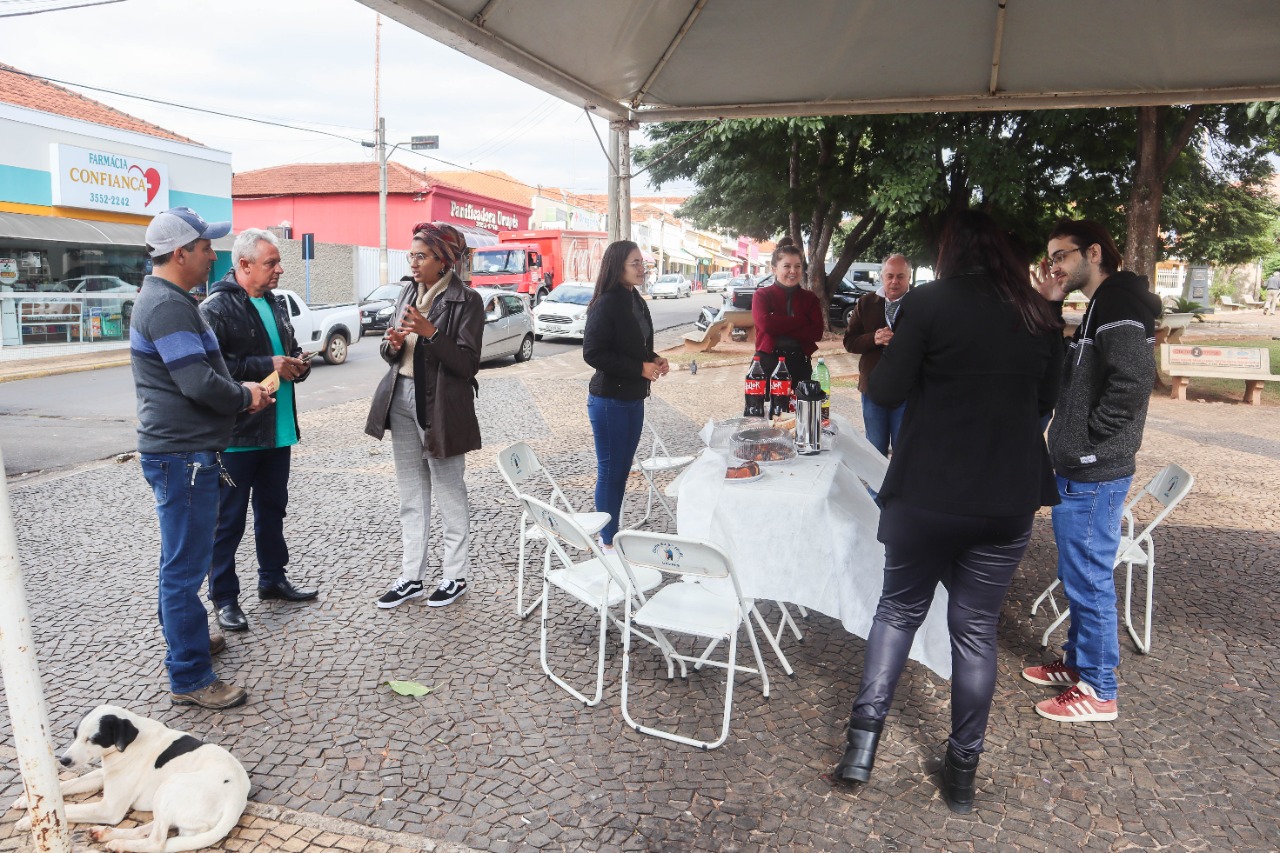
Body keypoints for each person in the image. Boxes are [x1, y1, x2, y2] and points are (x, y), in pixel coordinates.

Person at [833, 210, 1064, 815]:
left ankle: (861, 750)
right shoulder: (1038, 314)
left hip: (928, 491)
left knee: (899, 609)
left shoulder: (929, 303)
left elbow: (883, 392)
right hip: (1005, 498)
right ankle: (962, 772)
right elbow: (1047, 400)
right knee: (976, 632)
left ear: (951, 251)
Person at [131, 207, 273, 710]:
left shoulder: (171, 299)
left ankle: (187, 639)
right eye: (206, 247)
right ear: (179, 253)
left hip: (184, 452)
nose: (214, 255)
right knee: (185, 568)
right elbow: (196, 382)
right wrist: (245, 395)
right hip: (182, 455)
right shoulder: (168, 307)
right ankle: (190, 675)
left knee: (181, 561)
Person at [1025, 219, 1160, 724]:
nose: (1054, 266)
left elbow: (1133, 380)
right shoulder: (1101, 305)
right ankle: (1079, 663)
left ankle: (1100, 689)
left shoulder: (1120, 305)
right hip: (1083, 464)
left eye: (1061, 255)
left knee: (1089, 578)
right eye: (1050, 258)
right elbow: (1068, 374)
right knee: (1077, 571)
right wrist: (1052, 302)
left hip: (1093, 469)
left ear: (1094, 253)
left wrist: (1090, 440)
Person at [200, 228, 319, 635]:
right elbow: (214, 372)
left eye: (279, 261)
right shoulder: (216, 308)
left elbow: (281, 358)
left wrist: (296, 365)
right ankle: (225, 599)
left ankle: (272, 579)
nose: (279, 270)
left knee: (273, 511)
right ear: (244, 265)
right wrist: (267, 362)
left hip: (277, 430)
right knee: (227, 521)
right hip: (238, 434)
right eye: (271, 263)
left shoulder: (275, 302)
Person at [365, 223, 483, 609]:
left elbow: (467, 364)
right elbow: (389, 351)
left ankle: (455, 575)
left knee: (450, 490)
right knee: (411, 493)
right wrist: (392, 344)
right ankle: (411, 576)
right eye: (411, 255)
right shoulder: (406, 292)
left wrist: (431, 333)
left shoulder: (467, 300)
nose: (413, 263)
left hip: (442, 405)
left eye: (421, 256)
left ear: (443, 259)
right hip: (400, 395)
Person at [581, 240, 670, 551]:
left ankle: (612, 535)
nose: (641, 268)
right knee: (610, 472)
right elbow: (592, 353)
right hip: (609, 402)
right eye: (635, 263)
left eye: (641, 262)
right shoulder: (606, 303)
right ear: (617, 266)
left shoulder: (636, 300)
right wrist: (639, 369)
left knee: (622, 469)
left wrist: (655, 359)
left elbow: (637, 346)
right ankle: (607, 542)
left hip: (633, 399)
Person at [843, 254, 912, 456]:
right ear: (881, 276)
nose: (894, 281)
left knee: (904, 451)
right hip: (872, 388)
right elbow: (849, 342)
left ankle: (901, 489)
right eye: (889, 276)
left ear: (909, 276)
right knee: (874, 450)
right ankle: (875, 489)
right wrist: (873, 339)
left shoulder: (920, 304)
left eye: (900, 276)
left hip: (908, 390)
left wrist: (899, 340)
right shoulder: (865, 303)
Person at [751, 239, 824, 385]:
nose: (793, 271)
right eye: (787, 266)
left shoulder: (810, 298)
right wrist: (802, 320)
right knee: (766, 407)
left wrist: (778, 322)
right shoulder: (762, 295)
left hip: (800, 365)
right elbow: (767, 326)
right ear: (774, 269)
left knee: (800, 407)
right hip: (767, 364)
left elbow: (816, 333)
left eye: (797, 266)